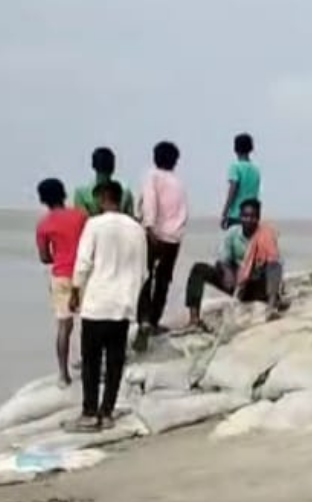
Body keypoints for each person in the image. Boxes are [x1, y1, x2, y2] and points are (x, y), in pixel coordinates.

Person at [69, 181, 147, 432]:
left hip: (97, 303)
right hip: (122, 305)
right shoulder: (137, 229)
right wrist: (132, 297)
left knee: (91, 362)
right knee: (115, 362)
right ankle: (107, 411)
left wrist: (75, 291)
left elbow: (83, 262)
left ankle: (89, 412)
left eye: (97, 200)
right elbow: (143, 272)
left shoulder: (94, 225)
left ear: (103, 198)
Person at [185, 198, 284, 329]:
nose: (248, 220)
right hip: (236, 283)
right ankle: (194, 319)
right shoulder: (233, 233)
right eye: (245, 216)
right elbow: (222, 259)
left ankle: (271, 307)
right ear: (240, 217)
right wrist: (227, 272)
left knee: (273, 267)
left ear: (258, 218)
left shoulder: (265, 235)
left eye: (252, 216)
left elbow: (274, 264)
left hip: (256, 285)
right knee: (199, 269)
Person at [132, 141, 189, 352]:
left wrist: (149, 227)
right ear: (175, 161)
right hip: (173, 239)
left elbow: (150, 202)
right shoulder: (178, 183)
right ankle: (155, 320)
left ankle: (144, 320)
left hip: (154, 235)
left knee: (145, 278)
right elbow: (183, 212)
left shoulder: (152, 176)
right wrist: (176, 234)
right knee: (163, 280)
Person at [35, 178, 89, 388]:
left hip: (61, 276)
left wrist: (58, 257)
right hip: (84, 273)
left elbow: (44, 257)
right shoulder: (81, 216)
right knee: (89, 323)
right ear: (64, 194)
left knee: (64, 326)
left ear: (43, 200)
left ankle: (63, 375)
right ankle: (88, 364)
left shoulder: (43, 224)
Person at [73, 146, 135, 217]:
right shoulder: (125, 193)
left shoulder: (81, 193)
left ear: (93, 165)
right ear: (113, 167)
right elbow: (130, 220)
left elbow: (82, 220)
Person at [221, 132, 261, 230]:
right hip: (253, 216)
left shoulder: (235, 167)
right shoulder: (255, 170)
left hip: (236, 215)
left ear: (235, 149)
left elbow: (233, 189)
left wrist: (225, 212)